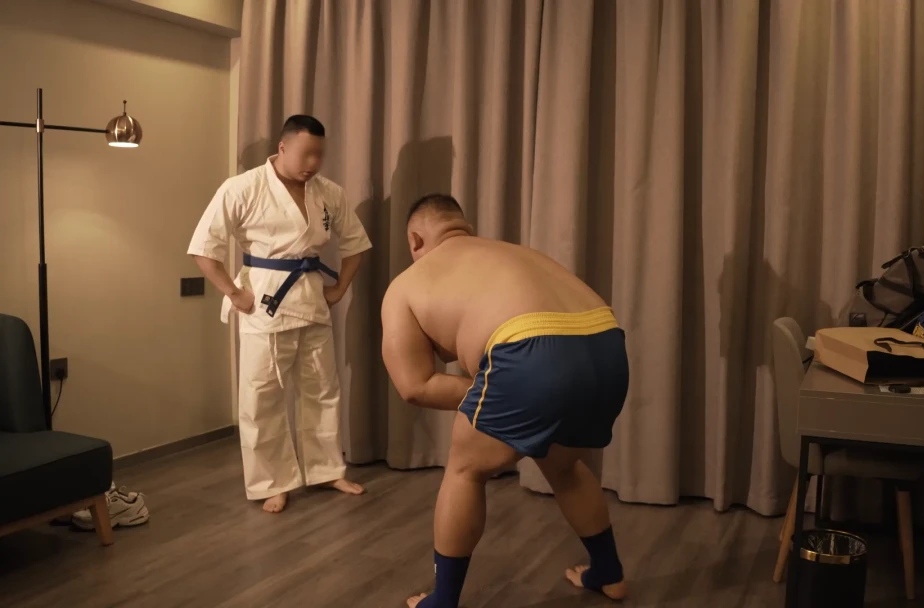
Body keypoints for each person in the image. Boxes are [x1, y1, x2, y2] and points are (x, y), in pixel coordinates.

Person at [380, 194, 630, 607]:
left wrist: (494, 390)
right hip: (607, 346)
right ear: (465, 228)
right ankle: (609, 572)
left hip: (530, 352)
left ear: (415, 240)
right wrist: (499, 390)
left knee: (465, 469)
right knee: (564, 465)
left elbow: (414, 386)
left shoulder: (408, 282)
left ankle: (442, 601)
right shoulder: (511, 252)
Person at [188, 115, 370, 513]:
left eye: (320, 155)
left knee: (322, 388)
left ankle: (326, 470)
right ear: (282, 148)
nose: (313, 163)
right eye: (306, 154)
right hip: (264, 300)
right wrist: (234, 293)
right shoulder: (242, 187)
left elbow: (356, 243)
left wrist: (340, 288)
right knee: (262, 395)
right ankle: (273, 481)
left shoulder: (328, 192)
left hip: (311, 298)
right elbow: (204, 247)